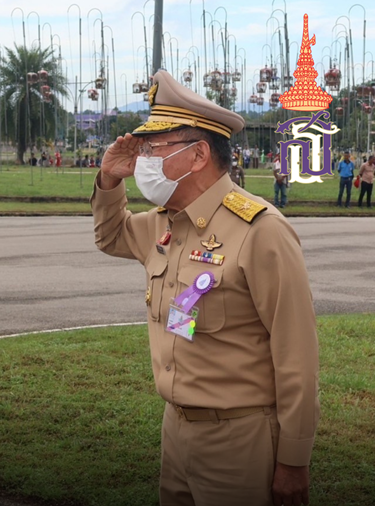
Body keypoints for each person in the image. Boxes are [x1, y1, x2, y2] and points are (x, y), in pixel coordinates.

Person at [91, 70, 319, 506]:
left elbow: (297, 355)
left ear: (197, 155)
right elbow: (111, 237)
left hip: (238, 439)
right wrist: (109, 180)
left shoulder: (260, 231)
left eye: (154, 148)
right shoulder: (165, 220)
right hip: (175, 430)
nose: (145, 159)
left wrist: (293, 459)